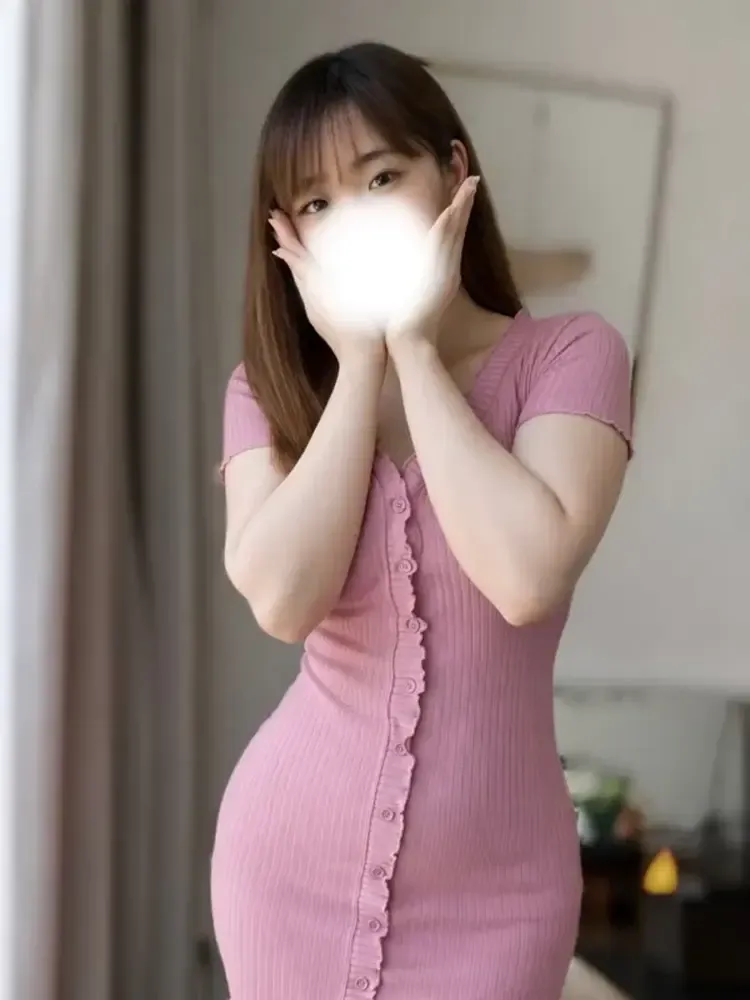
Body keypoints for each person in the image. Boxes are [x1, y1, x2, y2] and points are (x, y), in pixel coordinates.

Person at [212, 41, 632, 1000]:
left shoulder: (573, 355)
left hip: (501, 899)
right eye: (317, 202)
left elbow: (525, 577)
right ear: (286, 234)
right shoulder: (268, 390)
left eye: (381, 177)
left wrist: (413, 345)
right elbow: (281, 601)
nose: (353, 216)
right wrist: (360, 366)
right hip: (288, 873)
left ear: (452, 172)